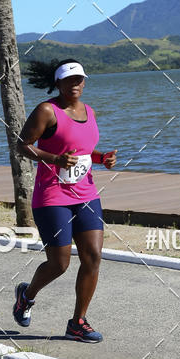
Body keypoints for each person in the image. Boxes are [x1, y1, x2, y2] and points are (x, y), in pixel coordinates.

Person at [14, 59, 117, 343]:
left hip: (86, 194)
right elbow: (22, 145)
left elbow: (83, 151)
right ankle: (26, 295)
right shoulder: (47, 110)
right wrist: (53, 159)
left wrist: (101, 158)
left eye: (80, 79)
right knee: (59, 264)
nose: (76, 84)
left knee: (93, 257)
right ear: (57, 83)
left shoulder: (90, 111)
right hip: (52, 197)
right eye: (69, 80)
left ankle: (77, 322)